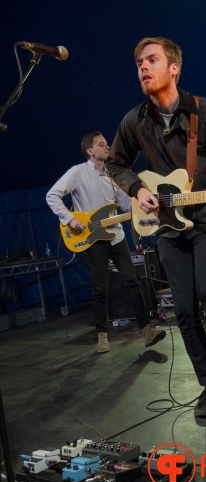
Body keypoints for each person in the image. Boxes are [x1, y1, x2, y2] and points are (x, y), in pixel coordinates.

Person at [105, 37, 206, 417]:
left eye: (151, 60)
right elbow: (114, 163)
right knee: (183, 308)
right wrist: (136, 189)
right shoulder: (133, 120)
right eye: (138, 63)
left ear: (174, 68)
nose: (143, 68)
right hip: (166, 225)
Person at [46, 131, 166, 353]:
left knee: (131, 280)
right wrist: (70, 219)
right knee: (101, 287)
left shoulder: (113, 174)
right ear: (90, 151)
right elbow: (52, 195)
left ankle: (147, 328)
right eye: (102, 145)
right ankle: (102, 335)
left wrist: (147, 205)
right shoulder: (77, 173)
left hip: (116, 235)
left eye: (107, 143)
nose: (107, 147)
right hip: (92, 237)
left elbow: (126, 205)